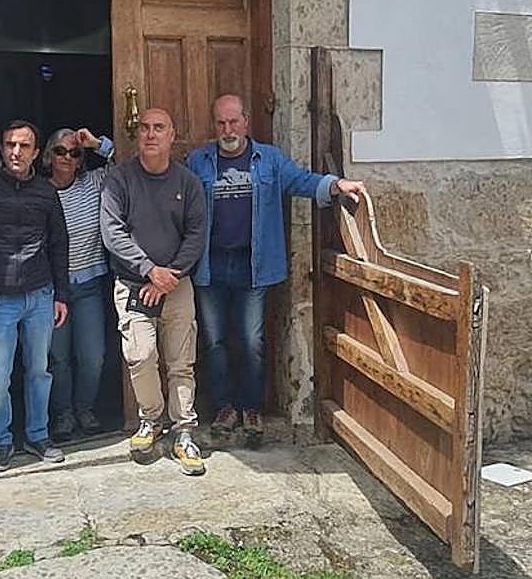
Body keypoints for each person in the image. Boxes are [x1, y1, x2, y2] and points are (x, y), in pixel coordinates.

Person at [186, 94, 366, 445]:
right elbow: (176, 198)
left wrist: (336, 184)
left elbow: (301, 180)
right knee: (215, 341)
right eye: (221, 123)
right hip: (211, 265)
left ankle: (251, 408)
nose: (228, 129)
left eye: (233, 121)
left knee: (251, 340)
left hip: (253, 264)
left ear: (246, 121)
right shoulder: (198, 161)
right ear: (214, 125)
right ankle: (224, 408)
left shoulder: (268, 160)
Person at [100, 107, 208, 476]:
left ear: (172, 134)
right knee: (141, 355)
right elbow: (112, 232)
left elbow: (196, 234)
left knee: (182, 363)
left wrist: (169, 276)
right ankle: (151, 420)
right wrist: (149, 271)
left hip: (176, 285)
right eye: (144, 128)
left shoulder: (188, 182)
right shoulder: (119, 180)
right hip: (133, 284)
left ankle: (184, 433)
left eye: (159, 128)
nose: (150, 134)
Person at [0, 119, 70, 472]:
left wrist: (61, 295)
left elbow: (60, 244)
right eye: (10, 144)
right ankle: (0, 442)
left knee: (39, 370)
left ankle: (38, 435)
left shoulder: (46, 192)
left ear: (35, 153)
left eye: (24, 146)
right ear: (1, 149)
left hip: (39, 294)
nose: (16, 152)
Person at [42, 126, 115, 442]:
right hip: (51, 289)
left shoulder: (94, 182)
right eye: (60, 151)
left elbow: (128, 166)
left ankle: (85, 408)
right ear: (47, 155)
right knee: (58, 357)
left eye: (74, 152)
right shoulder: (38, 191)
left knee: (93, 355)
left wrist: (98, 144)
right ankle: (64, 415)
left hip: (88, 284)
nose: (67, 157)